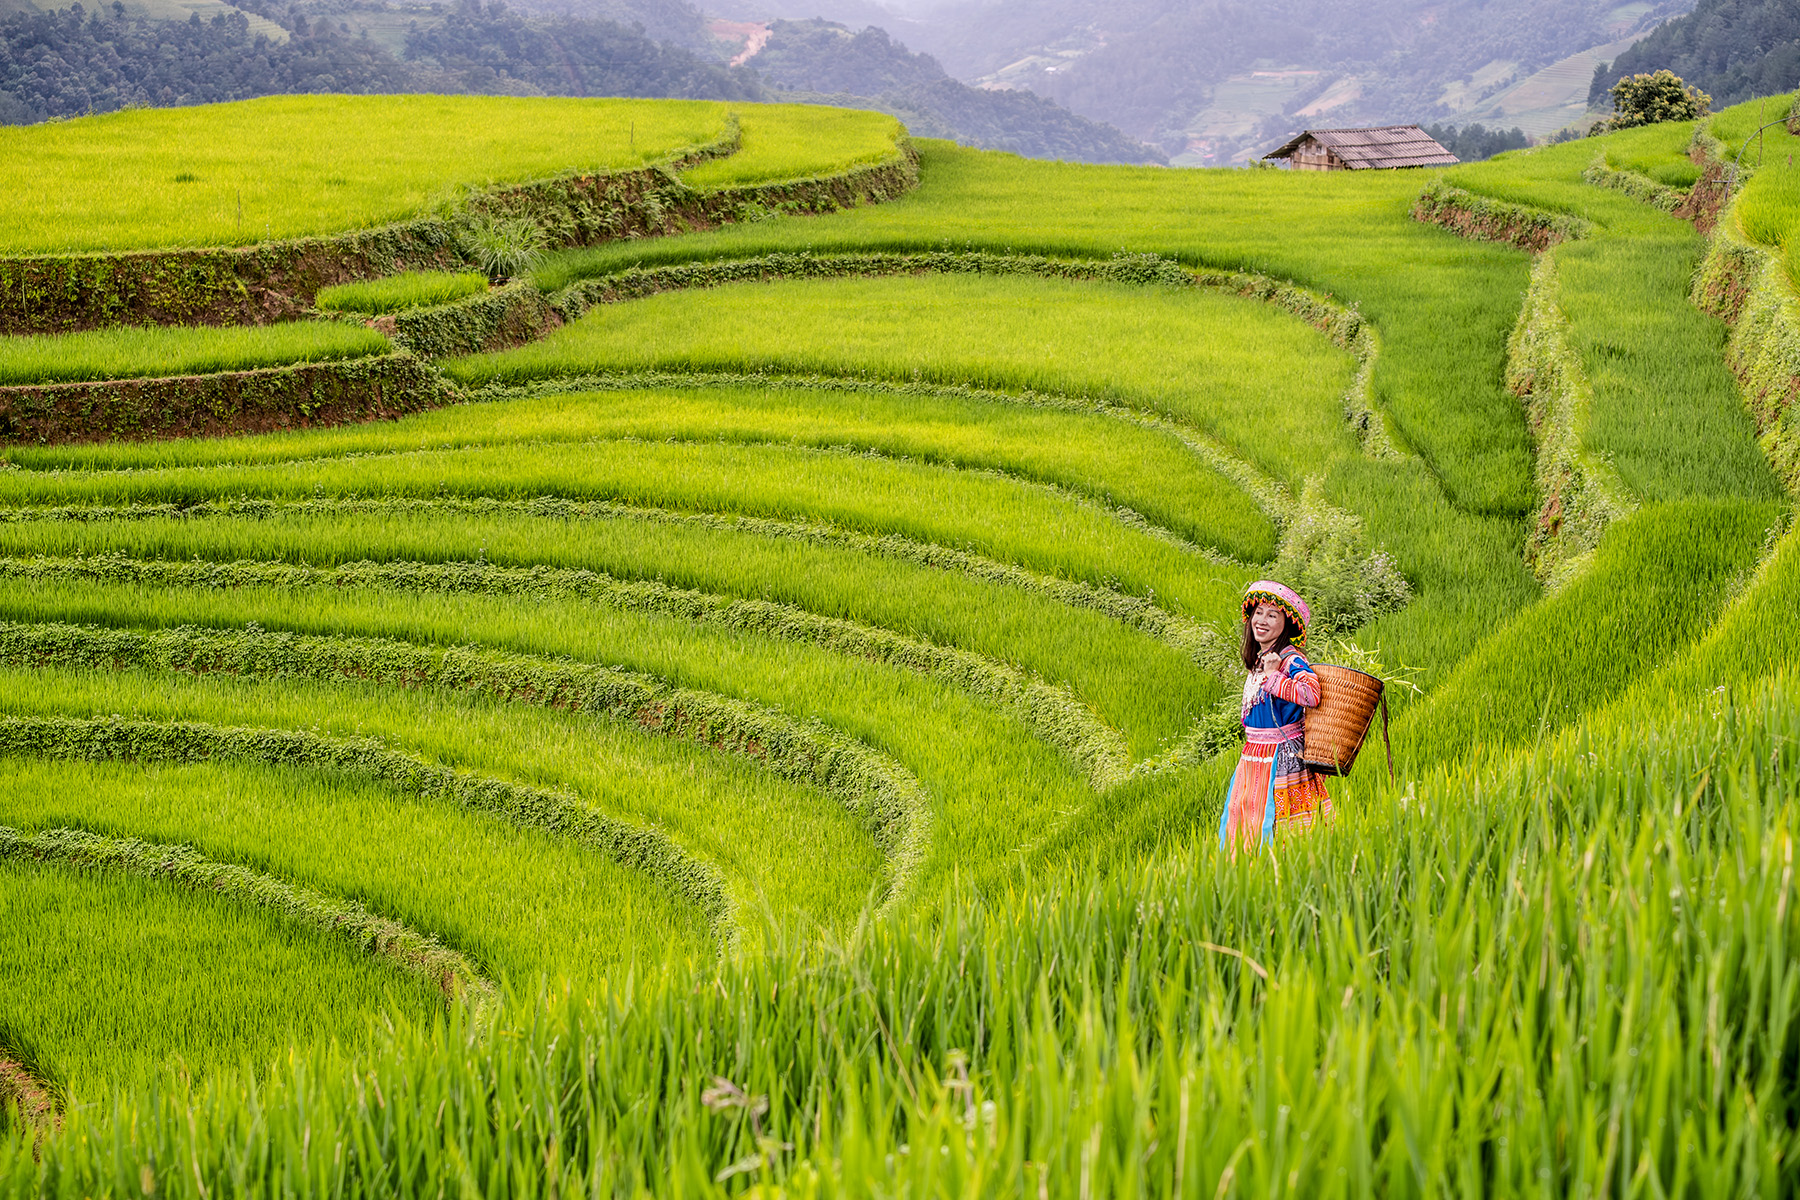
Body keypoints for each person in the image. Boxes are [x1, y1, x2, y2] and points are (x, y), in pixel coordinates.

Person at [1219, 580, 1332, 849]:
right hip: (1254, 756)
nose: (1262, 620)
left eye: (1272, 615)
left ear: (1286, 624)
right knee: (1245, 825)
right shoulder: (1262, 658)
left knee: (1281, 832)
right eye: (1258, 612)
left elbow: (1311, 694)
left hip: (1281, 759)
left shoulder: (1290, 659)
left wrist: (1273, 677)